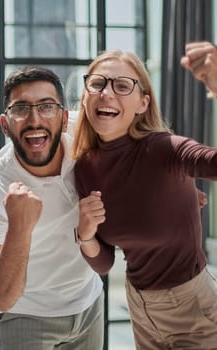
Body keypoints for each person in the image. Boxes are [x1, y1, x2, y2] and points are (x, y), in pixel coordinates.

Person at [72, 49, 217, 349]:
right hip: (139, 307)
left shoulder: (164, 149)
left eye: (122, 86)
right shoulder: (85, 167)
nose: (107, 93)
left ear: (143, 103)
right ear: (85, 96)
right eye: (97, 83)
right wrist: (85, 235)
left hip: (193, 311)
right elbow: (104, 263)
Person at [0, 66, 104, 350]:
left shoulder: (85, 135)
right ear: (5, 125)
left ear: (64, 118)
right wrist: (20, 226)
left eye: (46, 107)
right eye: (20, 109)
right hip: (25, 316)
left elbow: (142, 135)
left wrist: (175, 183)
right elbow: (1, 297)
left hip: (89, 303)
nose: (34, 119)